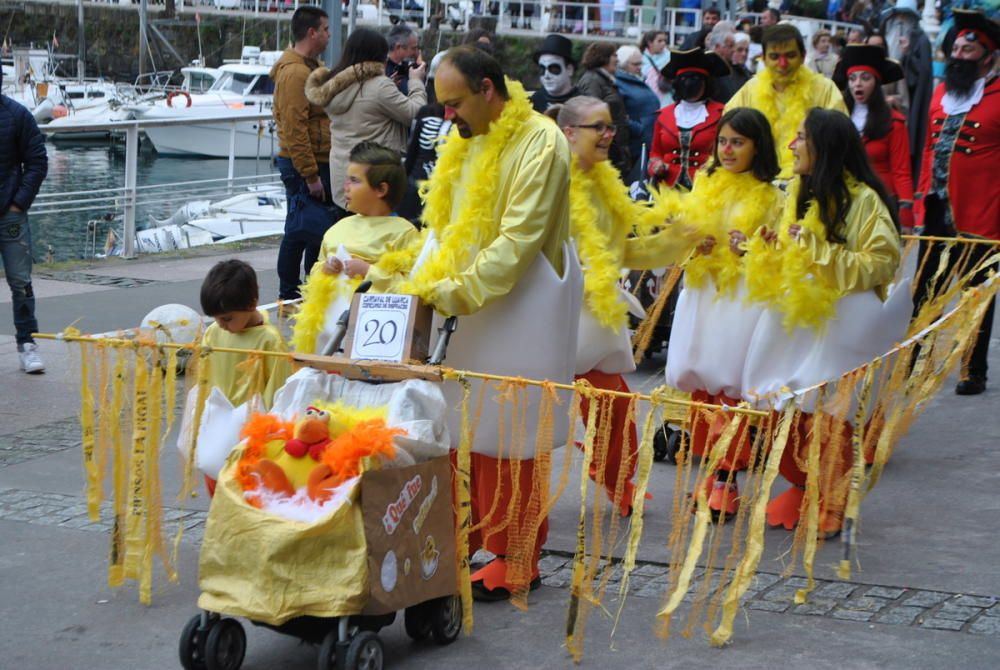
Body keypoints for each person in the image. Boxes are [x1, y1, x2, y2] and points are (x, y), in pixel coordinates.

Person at [370, 46, 578, 602]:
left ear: (489, 89)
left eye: (455, 102)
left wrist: (448, 293)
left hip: (522, 304)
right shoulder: (465, 136)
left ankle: (518, 558)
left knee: (513, 434)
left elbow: (519, 240)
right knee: (466, 427)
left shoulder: (543, 141)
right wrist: (412, 276)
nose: (448, 116)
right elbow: (440, 225)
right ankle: (474, 538)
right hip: (467, 304)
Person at [742, 109, 901, 535]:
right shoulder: (797, 191)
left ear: (824, 147)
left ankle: (833, 502)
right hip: (795, 316)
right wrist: (766, 247)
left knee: (829, 414)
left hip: (842, 321)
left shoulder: (864, 200)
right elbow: (787, 255)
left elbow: (882, 262)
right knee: (783, 403)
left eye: (800, 138)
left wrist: (816, 248)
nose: (791, 146)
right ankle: (801, 487)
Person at [549, 96, 692, 517]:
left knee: (615, 404)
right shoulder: (548, 179)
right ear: (569, 132)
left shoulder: (603, 181)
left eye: (611, 126)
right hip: (550, 313)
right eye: (599, 127)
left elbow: (617, 252)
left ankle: (614, 477)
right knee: (529, 417)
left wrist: (680, 240)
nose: (609, 135)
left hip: (591, 313)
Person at [661, 107, 785, 520]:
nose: (728, 150)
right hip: (703, 290)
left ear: (757, 146)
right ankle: (710, 471)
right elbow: (687, 234)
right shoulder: (705, 182)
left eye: (738, 142)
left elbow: (780, 255)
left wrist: (748, 248)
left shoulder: (773, 197)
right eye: (723, 141)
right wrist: (698, 244)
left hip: (741, 297)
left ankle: (726, 482)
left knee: (728, 388)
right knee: (700, 384)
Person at [912, 10, 1000, 396]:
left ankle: (972, 370)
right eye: (957, 47)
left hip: (983, 213)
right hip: (935, 208)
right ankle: (914, 360)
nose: (959, 53)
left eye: (969, 48)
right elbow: (929, 150)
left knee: (976, 296)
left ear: (988, 55)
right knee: (924, 289)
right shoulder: (941, 93)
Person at [292, 142, 418, 354]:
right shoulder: (337, 229)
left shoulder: (404, 233)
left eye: (354, 180)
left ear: (381, 189)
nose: (345, 187)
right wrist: (325, 269)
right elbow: (313, 276)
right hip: (326, 335)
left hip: (374, 340)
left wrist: (369, 272)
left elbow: (411, 288)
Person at [305, 28, 426, 218]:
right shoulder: (379, 87)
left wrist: (387, 88)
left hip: (343, 180)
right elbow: (416, 113)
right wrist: (416, 82)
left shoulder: (334, 84)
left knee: (348, 238)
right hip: (374, 181)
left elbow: (366, 105)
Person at [199, 259, 293, 495]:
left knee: (245, 491)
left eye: (228, 318)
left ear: (252, 304)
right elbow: (205, 376)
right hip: (217, 423)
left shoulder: (269, 340)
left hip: (251, 430)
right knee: (216, 484)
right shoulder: (213, 332)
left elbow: (278, 390)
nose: (221, 325)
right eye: (216, 318)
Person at [726, 24, 848, 178]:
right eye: (774, 57)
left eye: (790, 56)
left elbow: (839, 140)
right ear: (763, 58)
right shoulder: (750, 89)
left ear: (803, 56)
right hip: (756, 183)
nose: (782, 64)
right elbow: (728, 133)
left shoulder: (825, 90)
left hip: (809, 183)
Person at [271, 6, 333, 308]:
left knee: (312, 228)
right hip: (304, 163)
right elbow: (294, 127)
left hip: (314, 159)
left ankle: (306, 288)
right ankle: (289, 292)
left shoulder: (308, 67)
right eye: (325, 29)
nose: (328, 35)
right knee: (299, 228)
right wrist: (310, 174)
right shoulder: (296, 73)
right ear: (312, 33)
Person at [835, 45, 914, 231]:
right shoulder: (837, 117)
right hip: (843, 201)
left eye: (865, 78)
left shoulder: (894, 122)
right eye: (852, 79)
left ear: (876, 82)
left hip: (879, 203)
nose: (857, 84)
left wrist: (906, 211)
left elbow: (901, 170)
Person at [0, 64, 48, 374]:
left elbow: (37, 161)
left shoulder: (17, 115)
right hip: (12, 212)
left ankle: (27, 343)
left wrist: (19, 203)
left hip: (10, 215)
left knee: (21, 283)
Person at [648, 49, 729, 190]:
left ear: (706, 83)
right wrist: (656, 166)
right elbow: (655, 152)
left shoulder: (723, 113)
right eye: (684, 79)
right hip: (667, 191)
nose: (689, 84)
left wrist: (713, 166)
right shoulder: (663, 115)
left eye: (695, 79)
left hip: (706, 189)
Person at [880, 0, 933, 183]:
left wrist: (907, 54)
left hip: (909, 103)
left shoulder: (921, 40)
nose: (900, 21)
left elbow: (921, 74)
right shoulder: (888, 34)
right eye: (898, 16)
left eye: (904, 17)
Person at [575, 42, 631, 175]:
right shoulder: (592, 80)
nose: (617, 60)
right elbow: (592, 114)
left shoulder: (605, 80)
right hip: (607, 147)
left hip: (615, 146)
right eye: (614, 55)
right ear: (603, 57)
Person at [614, 45, 660, 179]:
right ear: (623, 65)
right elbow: (617, 115)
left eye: (641, 63)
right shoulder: (619, 83)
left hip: (646, 141)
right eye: (635, 64)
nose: (639, 67)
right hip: (635, 145)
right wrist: (638, 128)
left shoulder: (635, 79)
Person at [530, 34, 580, 112]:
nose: (546, 75)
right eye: (542, 69)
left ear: (569, 70)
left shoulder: (584, 104)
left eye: (554, 69)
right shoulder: (533, 102)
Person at [717, 32, 753, 102]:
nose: (744, 54)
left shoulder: (749, 74)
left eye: (746, 50)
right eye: (739, 50)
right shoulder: (720, 74)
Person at [639, 30, 672, 105]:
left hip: (667, 100)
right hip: (647, 100)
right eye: (659, 41)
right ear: (650, 43)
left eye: (665, 41)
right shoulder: (640, 58)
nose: (663, 43)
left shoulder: (670, 58)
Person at [385, 24, 420, 94]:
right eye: (413, 48)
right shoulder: (383, 71)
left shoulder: (411, 67)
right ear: (398, 47)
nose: (417, 52)